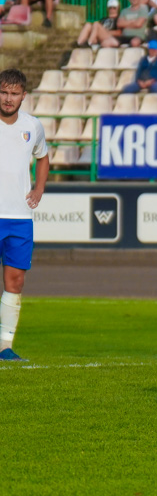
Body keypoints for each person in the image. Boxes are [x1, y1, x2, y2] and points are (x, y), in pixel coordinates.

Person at [0, 69, 49, 362]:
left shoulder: (33, 126)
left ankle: (4, 346)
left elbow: (42, 157)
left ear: (23, 96)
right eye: (4, 92)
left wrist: (39, 188)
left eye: (14, 93)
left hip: (19, 218)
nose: (8, 99)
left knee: (15, 281)